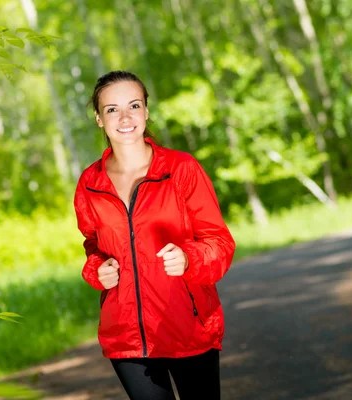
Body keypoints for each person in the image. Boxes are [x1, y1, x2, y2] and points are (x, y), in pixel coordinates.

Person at [73, 70, 236, 400]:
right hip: (126, 337)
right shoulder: (90, 184)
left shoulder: (181, 169)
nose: (125, 117)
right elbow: (93, 244)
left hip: (188, 329)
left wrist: (189, 259)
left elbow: (220, 243)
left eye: (134, 105)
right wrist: (96, 270)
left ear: (146, 111)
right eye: (112, 109)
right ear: (99, 119)